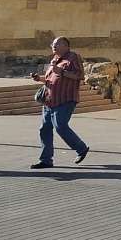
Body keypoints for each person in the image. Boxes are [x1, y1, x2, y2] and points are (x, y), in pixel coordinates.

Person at [29, 36, 89, 169]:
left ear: (66, 46)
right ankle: (46, 160)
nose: (53, 46)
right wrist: (39, 78)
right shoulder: (54, 60)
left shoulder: (73, 57)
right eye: (53, 44)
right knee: (44, 129)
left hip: (65, 99)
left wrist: (62, 72)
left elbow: (80, 76)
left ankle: (81, 148)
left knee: (60, 126)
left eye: (57, 44)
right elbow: (50, 79)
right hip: (49, 101)